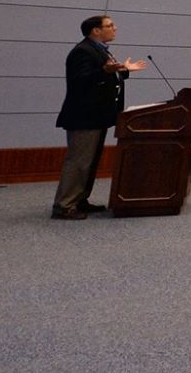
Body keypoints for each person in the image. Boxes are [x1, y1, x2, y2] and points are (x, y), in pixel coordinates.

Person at [52, 14, 145, 220]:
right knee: (79, 161)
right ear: (95, 30)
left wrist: (123, 70)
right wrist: (105, 70)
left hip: (98, 116)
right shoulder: (82, 52)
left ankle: (79, 200)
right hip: (84, 116)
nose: (115, 28)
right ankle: (64, 205)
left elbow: (105, 76)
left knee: (90, 162)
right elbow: (80, 81)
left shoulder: (100, 50)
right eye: (110, 25)